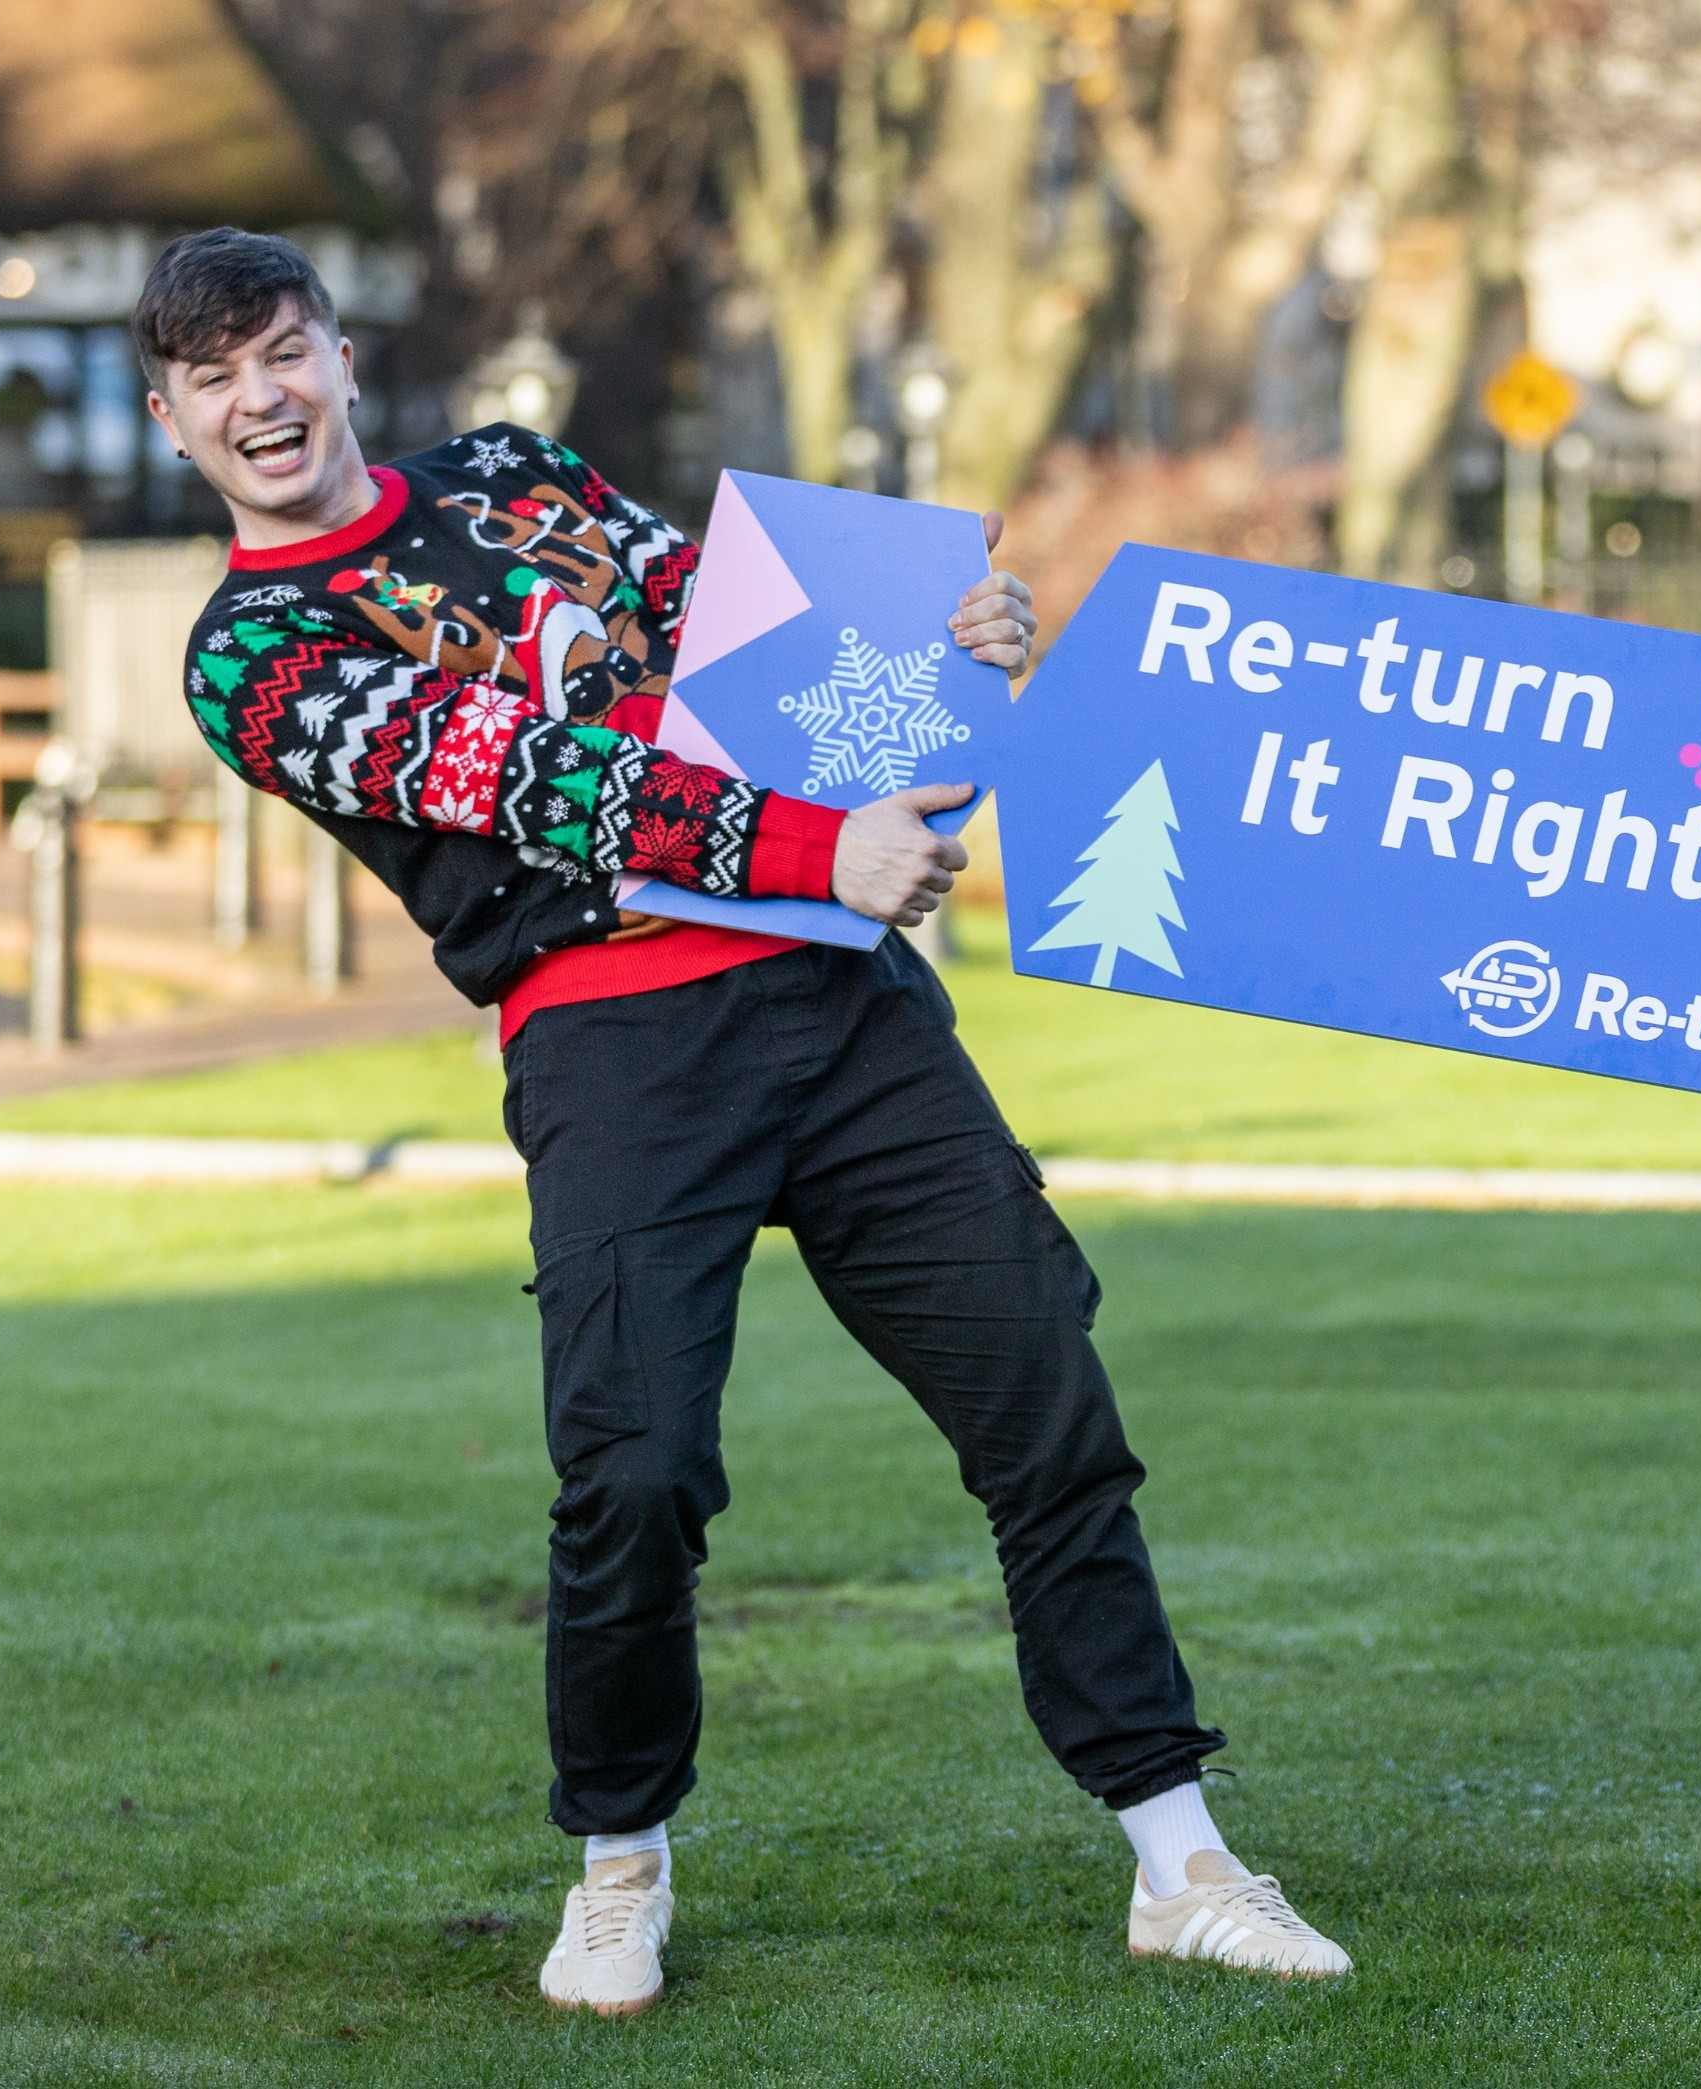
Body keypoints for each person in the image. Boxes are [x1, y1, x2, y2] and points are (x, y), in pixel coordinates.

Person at [139, 227, 1349, 2016]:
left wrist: (955, 645)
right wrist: (821, 846)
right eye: (217, 377)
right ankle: (619, 1863)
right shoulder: (253, 653)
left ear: (340, 353)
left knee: (1043, 1400)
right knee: (629, 1470)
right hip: (614, 1046)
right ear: (173, 421)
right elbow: (537, 778)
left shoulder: (509, 472)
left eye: (285, 350)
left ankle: (1179, 1857)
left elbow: (753, 632)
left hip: (836, 1003)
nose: (264, 398)